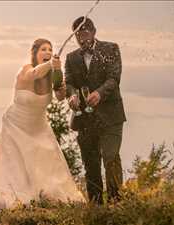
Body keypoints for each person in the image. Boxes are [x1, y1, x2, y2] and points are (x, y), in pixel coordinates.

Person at [0, 38, 85, 215]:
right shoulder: (26, 70)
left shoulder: (51, 72)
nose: (48, 52)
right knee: (13, 169)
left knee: (48, 166)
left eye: (50, 49)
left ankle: (46, 198)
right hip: (15, 126)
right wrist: (51, 64)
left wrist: (60, 82)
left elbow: (59, 95)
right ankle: (17, 200)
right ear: (34, 53)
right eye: (43, 49)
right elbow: (33, 74)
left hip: (39, 128)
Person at [64, 16, 126, 204]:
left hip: (111, 116)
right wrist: (72, 95)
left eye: (85, 32)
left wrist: (99, 93)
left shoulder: (111, 48)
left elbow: (114, 78)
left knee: (110, 157)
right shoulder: (71, 58)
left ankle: (117, 204)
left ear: (94, 31)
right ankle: (96, 207)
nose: (82, 37)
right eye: (78, 34)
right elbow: (69, 83)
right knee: (91, 166)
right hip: (85, 119)